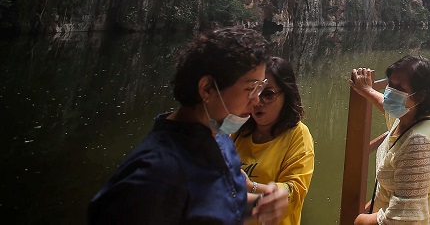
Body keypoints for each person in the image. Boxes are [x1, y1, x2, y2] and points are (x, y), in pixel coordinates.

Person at [88, 27, 289, 225]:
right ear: (207, 88)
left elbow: (222, 206)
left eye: (260, 87)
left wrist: (262, 205)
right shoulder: (155, 176)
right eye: (250, 88)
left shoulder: (219, 139)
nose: (256, 100)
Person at [349, 56, 430, 225]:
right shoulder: (412, 116)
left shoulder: (418, 143)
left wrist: (361, 220)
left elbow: (404, 219)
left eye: (398, 88)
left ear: (419, 96)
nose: (390, 92)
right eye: (390, 84)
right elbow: (387, 105)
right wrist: (366, 89)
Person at [233, 57, 315, 225]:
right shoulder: (237, 132)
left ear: (286, 95)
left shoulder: (298, 135)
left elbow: (293, 193)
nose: (257, 101)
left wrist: (250, 186)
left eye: (268, 94)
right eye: (253, 91)